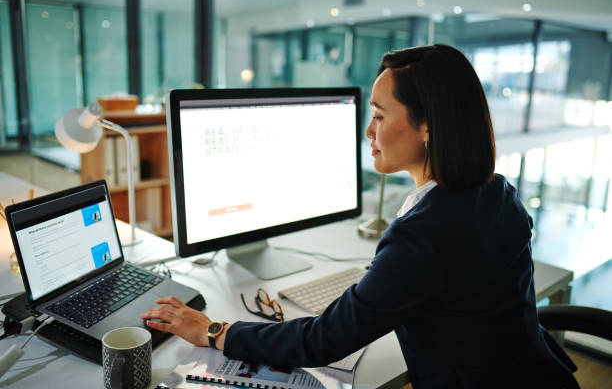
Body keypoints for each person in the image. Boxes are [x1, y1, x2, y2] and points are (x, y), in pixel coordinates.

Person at [141, 45, 579, 388]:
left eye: (379, 115)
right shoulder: (494, 190)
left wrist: (214, 330)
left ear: (428, 126)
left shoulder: (427, 235)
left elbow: (323, 340)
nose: (369, 131)